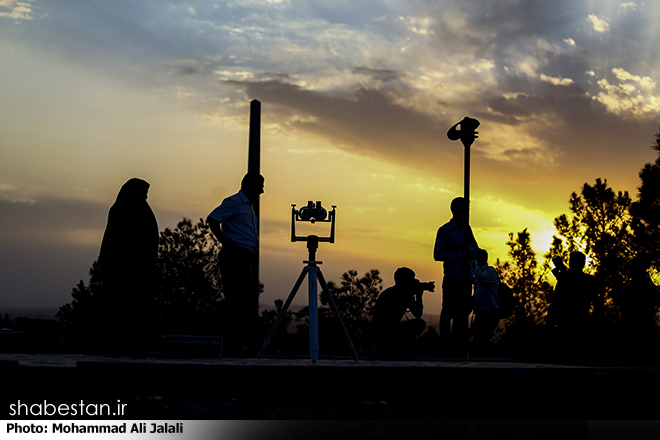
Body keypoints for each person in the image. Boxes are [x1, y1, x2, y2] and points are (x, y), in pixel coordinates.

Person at [98, 178, 159, 356]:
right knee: (119, 309)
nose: (146, 197)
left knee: (136, 310)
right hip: (120, 271)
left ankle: (135, 345)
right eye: (143, 193)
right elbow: (111, 239)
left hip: (139, 271)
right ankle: (118, 345)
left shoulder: (143, 211)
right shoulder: (120, 210)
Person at [207, 172, 264, 355]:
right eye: (260, 186)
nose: (262, 190)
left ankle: (237, 344)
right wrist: (225, 243)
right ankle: (232, 345)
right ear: (249, 186)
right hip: (234, 256)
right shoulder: (234, 202)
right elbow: (213, 219)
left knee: (241, 302)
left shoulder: (248, 206)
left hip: (244, 256)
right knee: (235, 301)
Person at [433, 197, 480, 356]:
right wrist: (459, 254)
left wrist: (468, 253)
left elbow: (476, 250)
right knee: (447, 313)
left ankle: (458, 346)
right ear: (456, 210)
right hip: (452, 278)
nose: (467, 212)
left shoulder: (467, 229)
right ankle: (446, 347)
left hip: (466, 279)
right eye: (465, 209)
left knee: (463, 314)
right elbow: (437, 254)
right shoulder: (445, 230)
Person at [371, 267, 433, 356]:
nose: (414, 282)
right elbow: (418, 313)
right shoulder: (401, 294)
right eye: (411, 280)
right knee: (419, 323)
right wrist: (418, 296)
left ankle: (399, 348)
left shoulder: (391, 292)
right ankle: (399, 349)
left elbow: (417, 314)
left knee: (419, 323)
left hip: (383, 331)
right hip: (384, 332)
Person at [470, 249, 500, 357]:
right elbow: (477, 294)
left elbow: (479, 277)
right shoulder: (480, 274)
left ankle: (491, 358)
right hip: (482, 312)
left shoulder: (490, 272)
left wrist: (475, 265)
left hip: (491, 312)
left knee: (483, 339)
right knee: (478, 338)